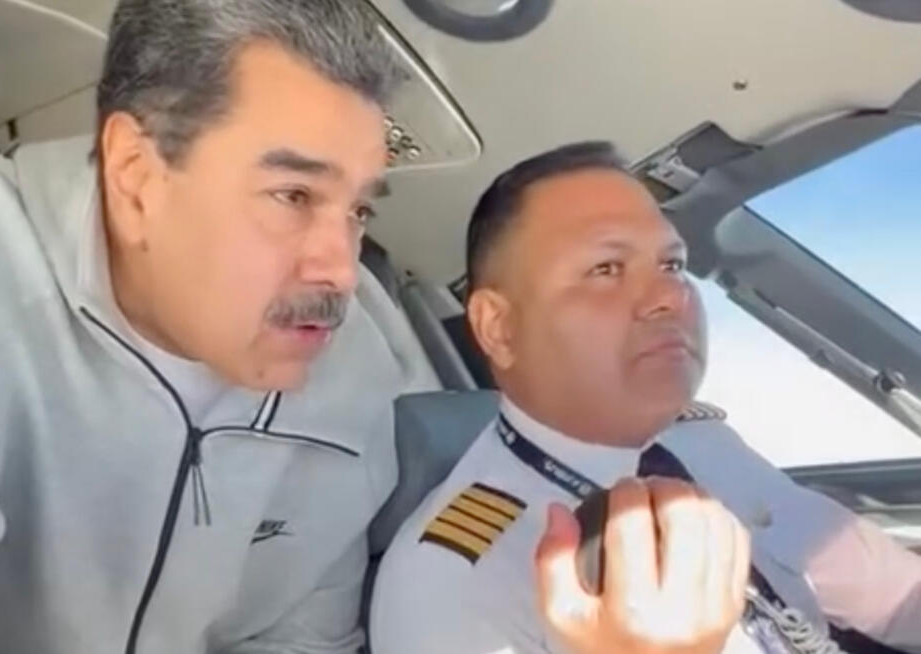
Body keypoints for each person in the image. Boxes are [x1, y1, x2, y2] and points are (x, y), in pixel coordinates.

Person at [0, 1, 439, 652]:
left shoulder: (360, 375)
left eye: (359, 210)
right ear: (136, 176)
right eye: (293, 195)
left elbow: (301, 638)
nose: (342, 271)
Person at [369, 142, 921, 654]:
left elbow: (891, 594)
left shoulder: (705, 443)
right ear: (499, 327)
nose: (669, 297)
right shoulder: (448, 581)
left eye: (672, 265)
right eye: (605, 269)